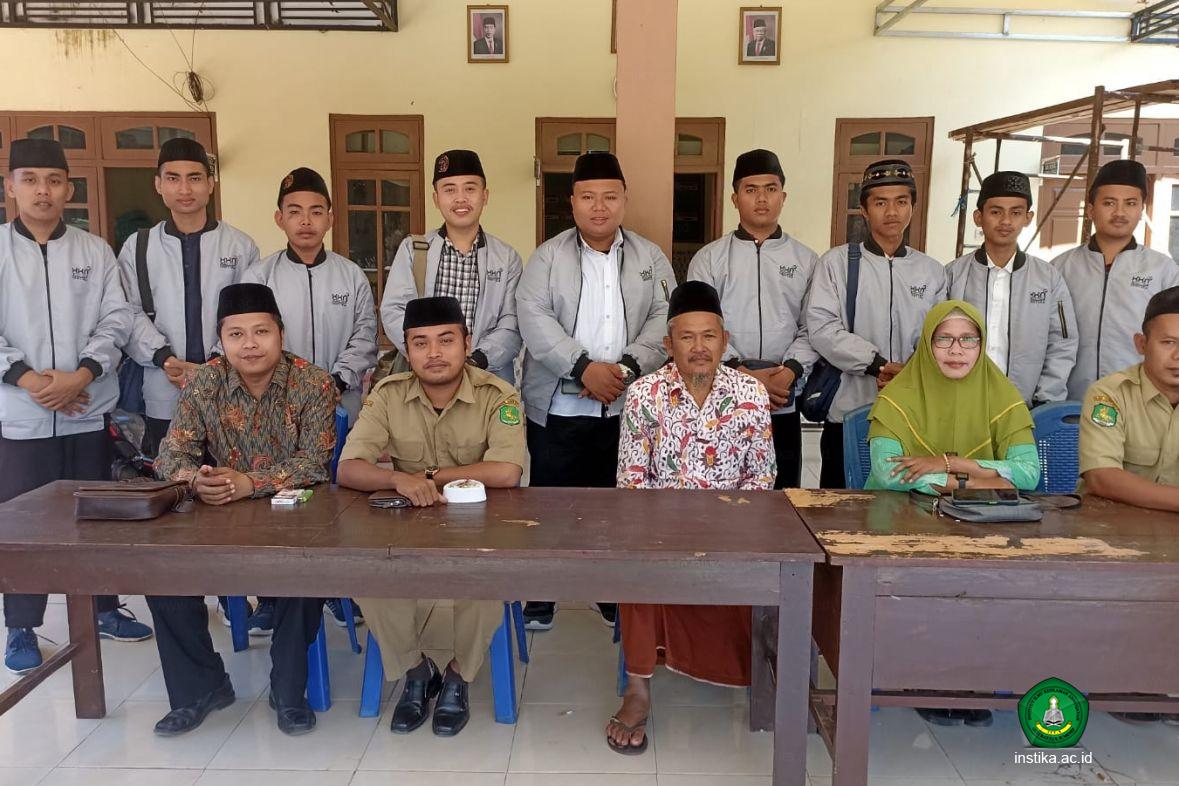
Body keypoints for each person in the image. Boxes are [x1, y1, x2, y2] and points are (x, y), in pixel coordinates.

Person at [147, 282, 337, 737]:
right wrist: (198, 480)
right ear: (221, 340)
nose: (250, 344)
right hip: (218, 513)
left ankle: (288, 691)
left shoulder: (313, 382)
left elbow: (315, 462)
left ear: (281, 334)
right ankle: (201, 688)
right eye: (236, 334)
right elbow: (169, 457)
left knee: (306, 572)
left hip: (295, 512)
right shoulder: (204, 383)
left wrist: (250, 483)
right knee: (160, 573)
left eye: (261, 332)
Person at [340, 296, 525, 738]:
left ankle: (459, 675)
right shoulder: (388, 395)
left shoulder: (498, 395)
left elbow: (507, 471)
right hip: (408, 524)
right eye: (420, 343)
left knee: (488, 579)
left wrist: (425, 477)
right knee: (369, 575)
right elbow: (349, 468)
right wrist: (397, 480)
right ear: (407, 349)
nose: (434, 353)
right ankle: (416, 670)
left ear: (467, 343)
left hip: (481, 525)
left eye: (446, 340)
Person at [0, 137, 150, 675]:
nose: (43, 190)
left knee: (94, 518)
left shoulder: (94, 251)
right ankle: (21, 625)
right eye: (30, 180)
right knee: (24, 526)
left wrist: (82, 373)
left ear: (69, 188)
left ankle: (104, 607)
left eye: (54, 180)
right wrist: (30, 380)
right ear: (11, 186)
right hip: (21, 416)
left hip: (86, 408)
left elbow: (117, 319)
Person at [607, 281, 775, 755]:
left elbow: (762, 478)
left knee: (773, 567)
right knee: (634, 564)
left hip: (733, 529)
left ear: (725, 340)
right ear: (668, 344)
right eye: (687, 337)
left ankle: (755, 673)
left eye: (709, 336)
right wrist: (666, 532)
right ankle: (637, 689)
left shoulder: (750, 393)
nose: (699, 347)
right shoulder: (644, 394)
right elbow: (632, 481)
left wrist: (726, 528)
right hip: (660, 530)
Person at [516, 151, 674, 631]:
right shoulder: (547, 256)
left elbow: (664, 317)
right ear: (572, 202)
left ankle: (609, 591)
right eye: (588, 197)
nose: (599, 207)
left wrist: (623, 369)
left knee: (615, 505)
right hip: (557, 404)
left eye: (609, 196)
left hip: (624, 404)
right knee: (549, 504)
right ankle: (542, 595)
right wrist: (583, 368)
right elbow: (533, 316)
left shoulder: (650, 257)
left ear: (624, 200)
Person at [866, 300, 1039, 727]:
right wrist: (981, 479)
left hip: (979, 523)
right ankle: (922, 679)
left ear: (981, 345)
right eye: (943, 339)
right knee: (926, 580)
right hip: (902, 521)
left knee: (987, 582)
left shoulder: (1002, 395)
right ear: (927, 345)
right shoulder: (898, 397)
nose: (956, 350)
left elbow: (1029, 473)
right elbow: (888, 473)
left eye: (967, 340)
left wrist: (951, 464)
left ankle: (972, 680)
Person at [808, 158, 947, 488]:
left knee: (907, 502)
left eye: (901, 201)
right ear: (864, 209)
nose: (892, 212)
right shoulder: (836, 263)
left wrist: (911, 372)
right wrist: (878, 365)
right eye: (880, 202)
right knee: (840, 504)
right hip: (848, 410)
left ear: (913, 206)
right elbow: (822, 327)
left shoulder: (931, 271)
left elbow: (939, 336)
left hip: (912, 413)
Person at [118, 137, 260, 458]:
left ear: (210, 184)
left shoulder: (240, 246)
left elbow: (248, 318)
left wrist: (212, 366)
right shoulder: (139, 247)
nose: (184, 189)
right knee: (172, 480)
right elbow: (128, 312)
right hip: (163, 388)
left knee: (229, 479)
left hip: (228, 387)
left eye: (194, 178)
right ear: (158, 185)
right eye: (173, 178)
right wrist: (165, 358)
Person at [688, 148, 818, 487]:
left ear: (783, 197)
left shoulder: (806, 260)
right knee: (723, 489)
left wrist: (789, 371)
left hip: (782, 394)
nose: (762, 199)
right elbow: (700, 328)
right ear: (735, 199)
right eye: (751, 189)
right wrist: (741, 375)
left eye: (770, 189)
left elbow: (813, 326)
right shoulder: (710, 259)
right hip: (724, 394)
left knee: (783, 493)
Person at [1079, 285, 1179, 724]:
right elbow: (1102, 477)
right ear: (1142, 343)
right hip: (1111, 539)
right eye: (1168, 342)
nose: (1178, 356)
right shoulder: (1111, 394)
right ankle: (1126, 679)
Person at [382, 150, 522, 383]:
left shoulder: (506, 258)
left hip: (485, 378)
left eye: (470, 188)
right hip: (423, 379)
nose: (460, 199)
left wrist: (475, 361)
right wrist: (428, 355)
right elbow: (394, 311)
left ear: (485, 196)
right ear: (436, 199)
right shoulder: (414, 250)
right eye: (449, 189)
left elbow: (511, 323)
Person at [1053, 159, 1179, 401]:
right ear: (1091, 210)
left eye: (1130, 203)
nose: (1120, 213)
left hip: (1140, 401)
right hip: (1071, 400)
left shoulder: (1163, 270)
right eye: (1109, 203)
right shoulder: (1060, 268)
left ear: (1141, 210)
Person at [947, 171, 1077, 406]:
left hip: (1024, 406)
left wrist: (1045, 399)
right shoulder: (953, 275)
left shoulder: (1047, 279)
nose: (1006, 221)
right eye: (996, 212)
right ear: (978, 217)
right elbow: (937, 340)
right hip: (961, 403)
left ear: (1028, 218)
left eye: (1016, 213)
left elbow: (1062, 343)